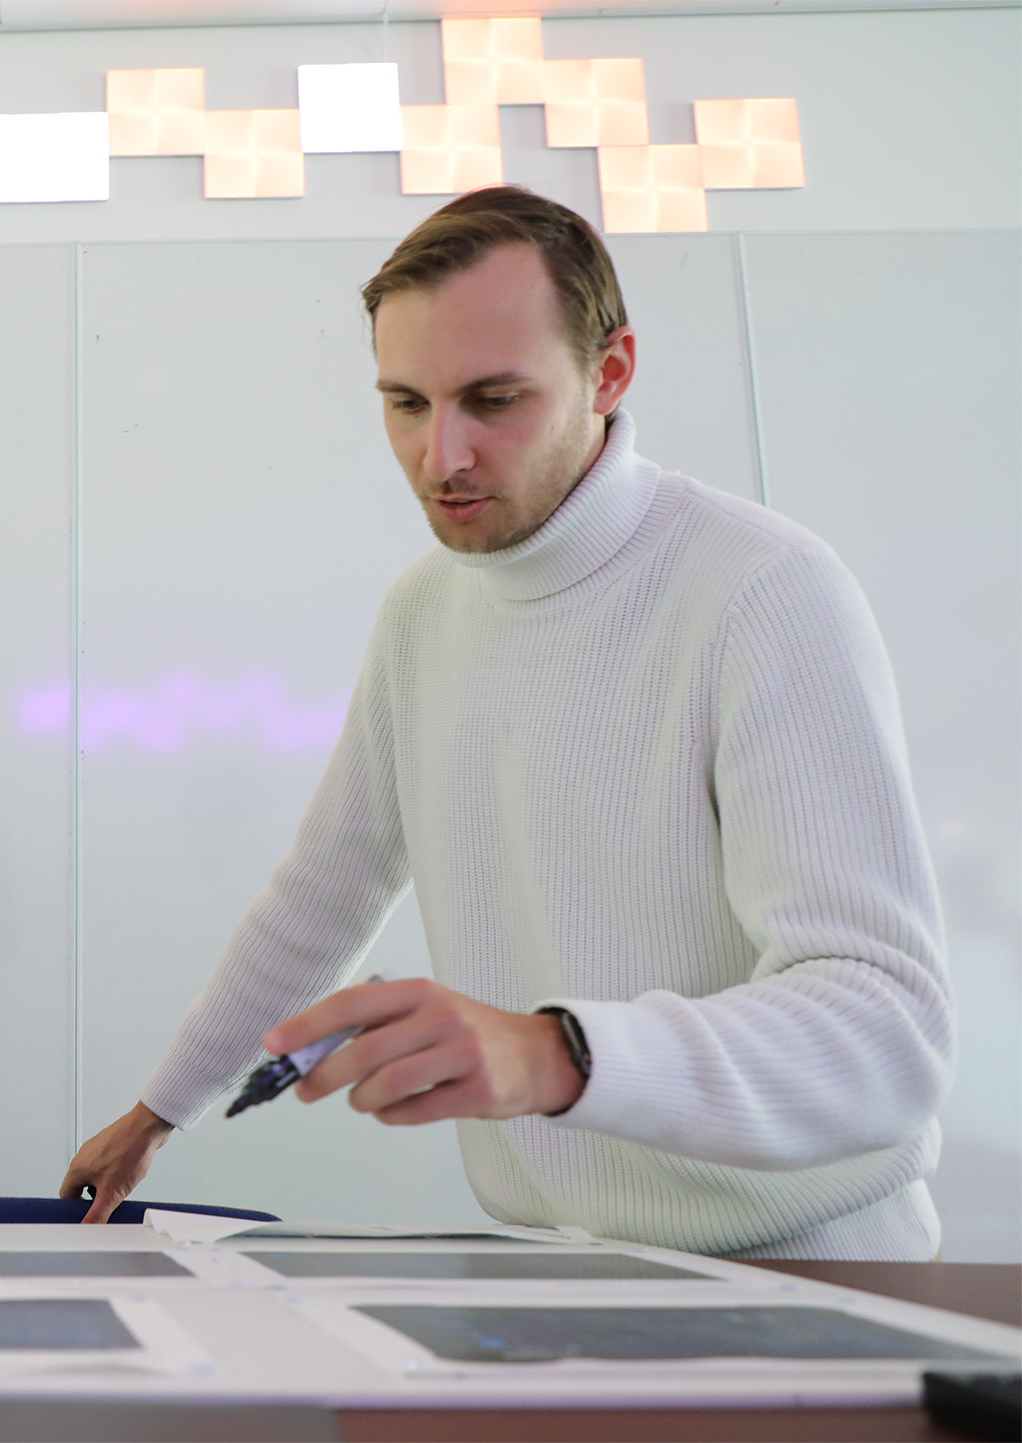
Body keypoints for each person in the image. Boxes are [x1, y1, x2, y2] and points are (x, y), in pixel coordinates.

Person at [61, 186, 953, 1260]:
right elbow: (323, 893)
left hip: (815, 1273)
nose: (441, 458)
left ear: (609, 371)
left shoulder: (761, 590)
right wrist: (160, 1111)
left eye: (491, 399)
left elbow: (886, 1036)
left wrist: (553, 1055)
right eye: (403, 403)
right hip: (571, 1264)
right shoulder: (423, 613)